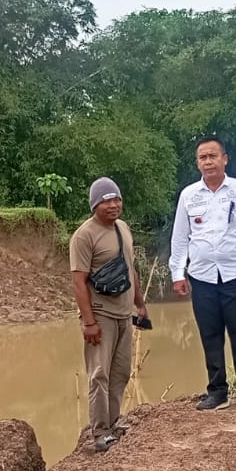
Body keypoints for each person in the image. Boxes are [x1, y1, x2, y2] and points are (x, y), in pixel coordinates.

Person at [170, 136, 236, 411]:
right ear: (197, 163)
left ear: (225, 159)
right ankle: (217, 392)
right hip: (202, 276)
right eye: (202, 157)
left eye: (212, 156)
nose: (208, 162)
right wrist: (177, 273)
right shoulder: (188, 195)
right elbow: (180, 237)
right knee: (210, 334)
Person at [69, 177, 148, 452]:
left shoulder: (123, 229)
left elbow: (130, 269)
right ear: (95, 205)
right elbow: (79, 282)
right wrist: (89, 322)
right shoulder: (84, 236)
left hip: (124, 313)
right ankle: (100, 432)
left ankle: (114, 423)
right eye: (107, 200)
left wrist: (140, 304)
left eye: (117, 199)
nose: (114, 205)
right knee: (99, 374)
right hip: (100, 314)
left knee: (120, 372)